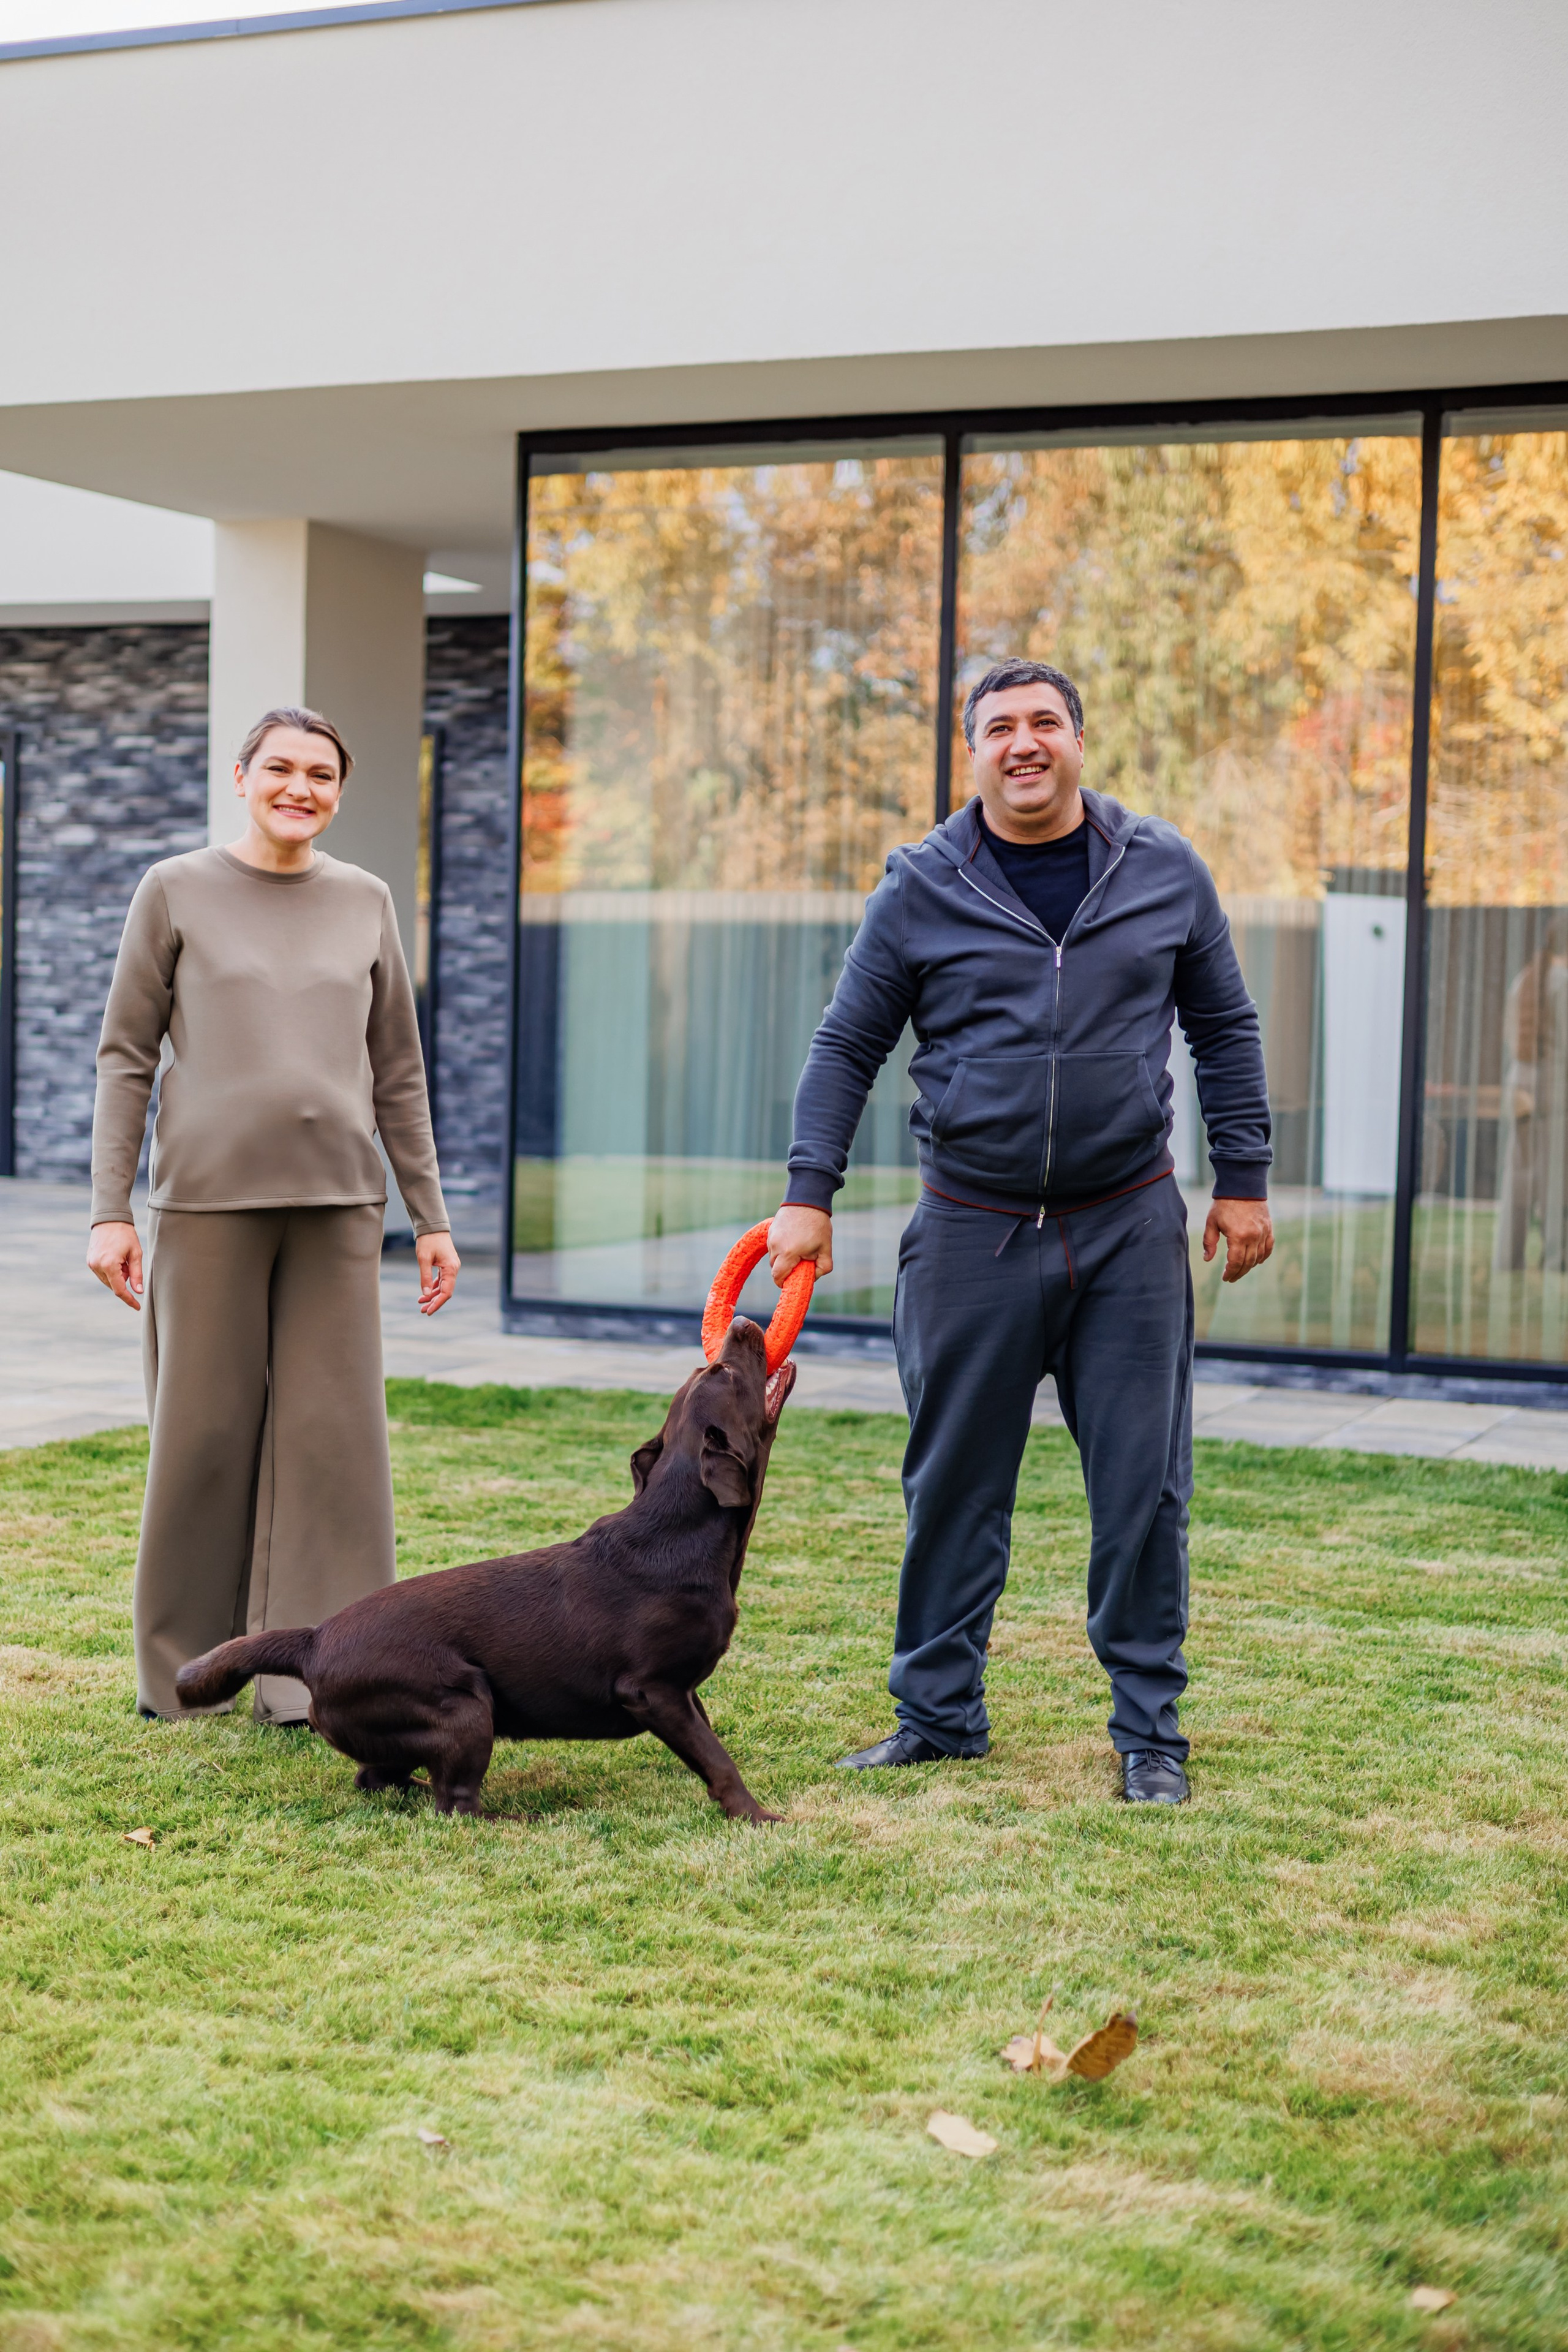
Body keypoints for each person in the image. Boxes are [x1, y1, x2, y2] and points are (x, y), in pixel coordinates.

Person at [767, 660, 1273, 1804]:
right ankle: (937, 1714)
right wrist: (810, 1192)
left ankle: (1150, 1731)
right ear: (974, 753)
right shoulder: (920, 886)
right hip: (970, 1230)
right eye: (1000, 727)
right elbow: (847, 1045)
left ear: (1082, 742)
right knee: (952, 1481)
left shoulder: (1163, 869)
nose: (1025, 742)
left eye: (1046, 722)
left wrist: (1242, 1176)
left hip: (1127, 1229)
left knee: (1144, 1485)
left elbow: (1225, 1028)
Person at [87, 705, 461, 1726]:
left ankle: (325, 1675)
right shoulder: (173, 889)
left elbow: (399, 1071)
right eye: (283, 769)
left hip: (339, 1208)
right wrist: (107, 1211)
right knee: (201, 1434)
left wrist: (429, 1214)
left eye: (323, 776)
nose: (303, 788)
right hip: (206, 1204)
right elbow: (126, 1057)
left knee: (334, 1445)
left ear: (341, 793)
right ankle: (184, 1677)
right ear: (242, 776)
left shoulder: (367, 900)